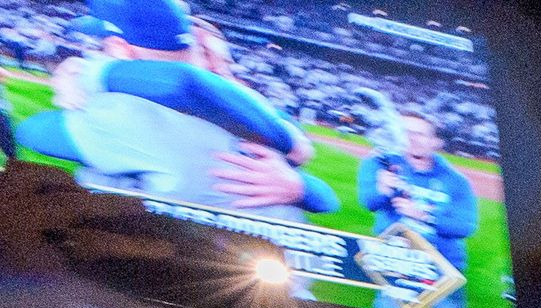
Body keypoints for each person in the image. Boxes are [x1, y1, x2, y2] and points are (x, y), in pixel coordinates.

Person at [10, 0, 333, 216]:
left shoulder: (125, 112)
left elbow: (32, 131)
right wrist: (301, 185)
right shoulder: (258, 114)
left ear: (119, 49)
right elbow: (324, 196)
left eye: (101, 46)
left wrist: (92, 75)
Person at [353, 102, 480, 308]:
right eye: (406, 132)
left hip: (443, 266)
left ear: (435, 141)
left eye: (420, 134)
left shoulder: (456, 180)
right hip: (397, 260)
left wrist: (423, 216)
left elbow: (466, 225)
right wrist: (383, 190)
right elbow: (369, 202)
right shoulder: (379, 164)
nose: (412, 138)